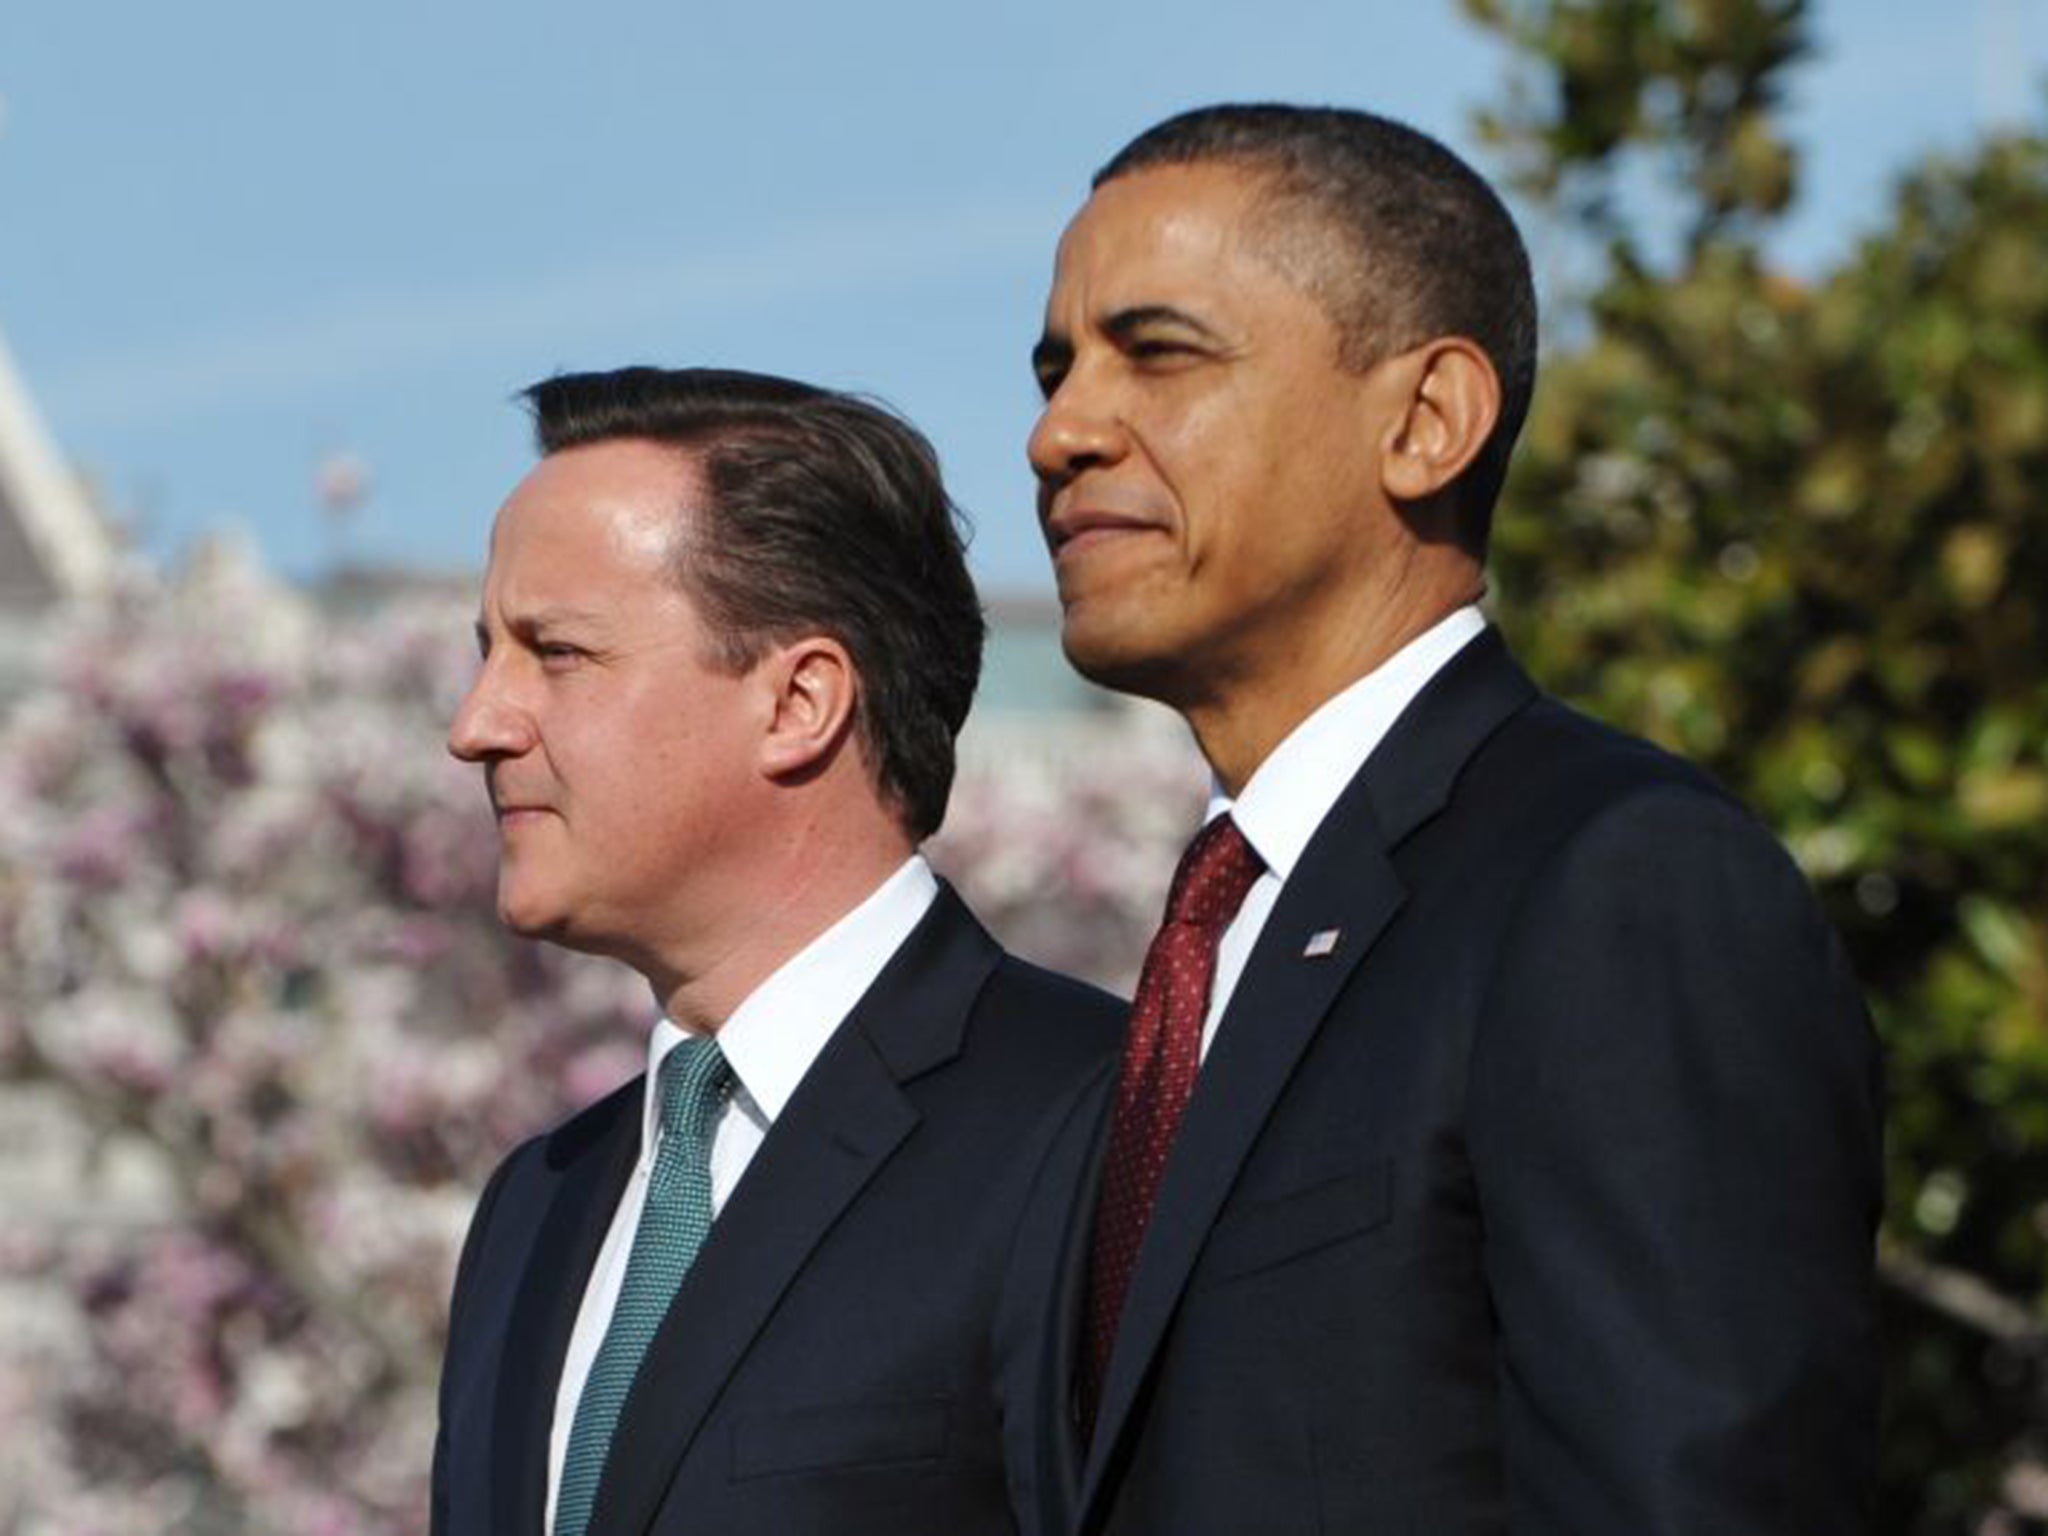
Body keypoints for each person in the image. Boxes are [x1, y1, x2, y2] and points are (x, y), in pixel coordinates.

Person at [1011, 104, 1882, 1536]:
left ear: (1425, 422)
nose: (1061, 432)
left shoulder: (1616, 884)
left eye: (1157, 354)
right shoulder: (1211, 945)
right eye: (1055, 369)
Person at [430, 366, 1121, 1536]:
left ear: (799, 701)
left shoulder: (1101, 1125)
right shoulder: (534, 1207)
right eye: (488, 650)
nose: (476, 725)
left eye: (556, 653)